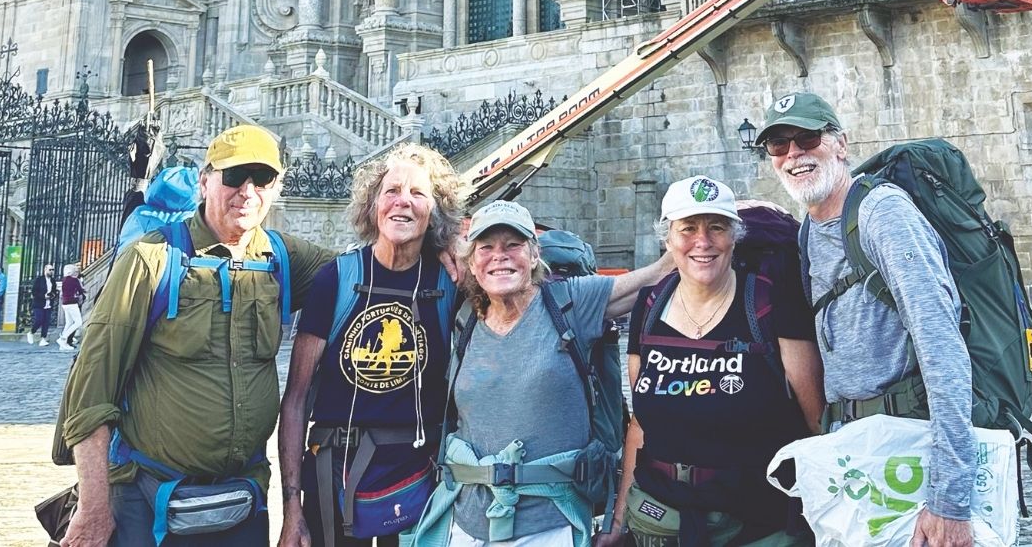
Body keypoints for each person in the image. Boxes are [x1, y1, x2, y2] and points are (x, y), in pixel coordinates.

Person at [57, 124, 336, 547]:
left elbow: (367, 272)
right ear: (205, 181)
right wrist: (94, 507)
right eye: (234, 176)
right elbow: (90, 393)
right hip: (149, 503)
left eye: (262, 179)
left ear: (275, 189)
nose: (248, 191)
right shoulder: (151, 259)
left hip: (242, 505)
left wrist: (438, 243)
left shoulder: (282, 257)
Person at [757, 92, 974, 547]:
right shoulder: (808, 229)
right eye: (779, 146)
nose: (794, 154)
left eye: (807, 138)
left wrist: (949, 499)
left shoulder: (883, 213)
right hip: (858, 450)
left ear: (840, 144)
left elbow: (943, 346)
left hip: (909, 449)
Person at [410, 200, 671, 547]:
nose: (499, 256)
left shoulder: (570, 303)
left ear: (533, 256)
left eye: (512, 245)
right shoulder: (465, 318)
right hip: (467, 524)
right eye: (486, 248)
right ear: (471, 263)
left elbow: (656, 276)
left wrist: (697, 223)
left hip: (550, 526)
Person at [611, 177, 823, 547]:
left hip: (758, 524)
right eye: (687, 229)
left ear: (734, 237)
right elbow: (639, 427)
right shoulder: (648, 307)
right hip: (662, 525)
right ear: (668, 239)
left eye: (717, 227)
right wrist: (617, 524)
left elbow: (816, 422)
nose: (702, 242)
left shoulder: (770, 304)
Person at [278, 144, 466, 547]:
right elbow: (294, 401)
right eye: (392, 190)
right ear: (373, 205)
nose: (403, 202)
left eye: (418, 193)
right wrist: (292, 509)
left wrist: (462, 247)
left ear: (435, 211)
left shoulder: (449, 283)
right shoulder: (338, 278)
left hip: (421, 485)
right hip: (336, 485)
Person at [58, 264, 86, 352]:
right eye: (76, 271)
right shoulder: (74, 280)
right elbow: (80, 290)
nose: (77, 273)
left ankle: (63, 344)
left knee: (69, 323)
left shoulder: (64, 279)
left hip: (65, 303)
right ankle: (63, 338)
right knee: (78, 322)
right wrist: (84, 291)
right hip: (72, 303)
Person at [30, 263, 59, 346]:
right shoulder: (39, 280)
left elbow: (54, 290)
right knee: (39, 320)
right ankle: (32, 332)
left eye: (53, 270)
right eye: (50, 270)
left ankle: (43, 339)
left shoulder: (52, 280)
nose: (51, 271)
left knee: (46, 322)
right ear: (45, 270)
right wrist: (43, 296)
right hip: (39, 303)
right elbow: (34, 292)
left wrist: (52, 295)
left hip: (49, 303)